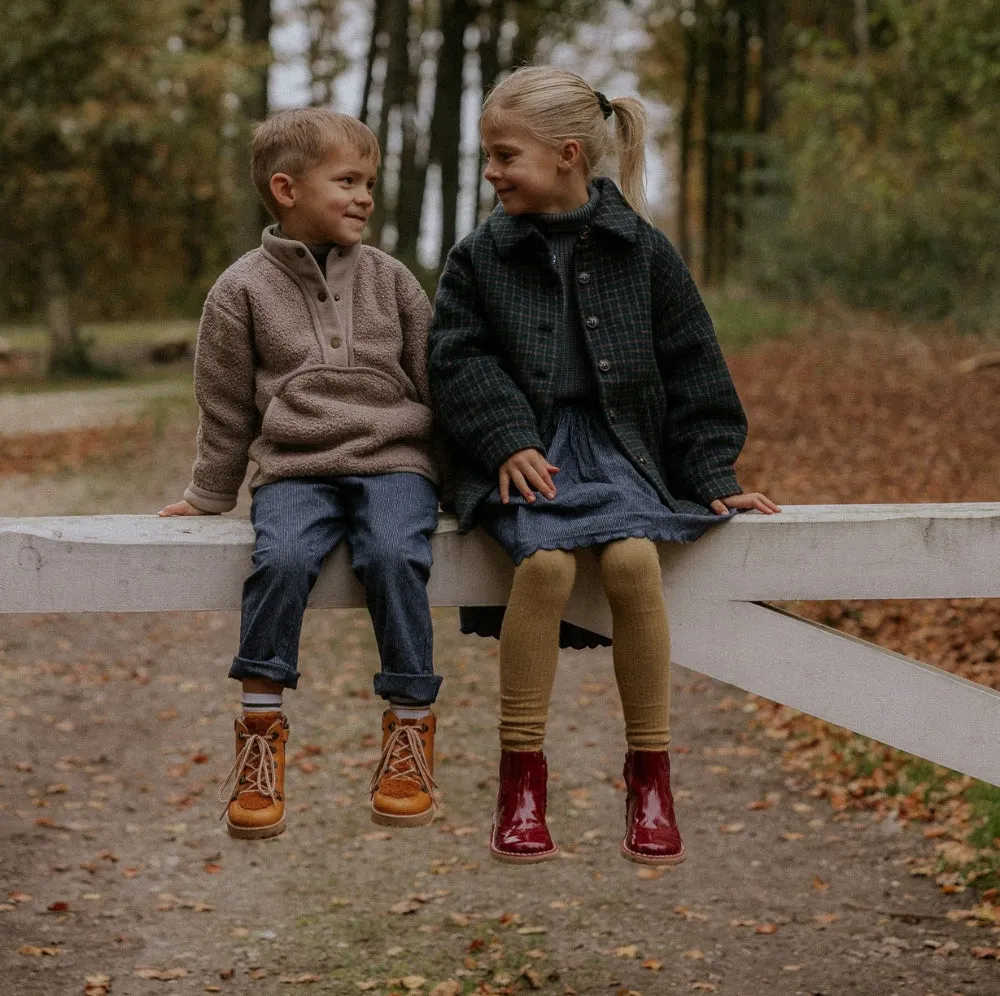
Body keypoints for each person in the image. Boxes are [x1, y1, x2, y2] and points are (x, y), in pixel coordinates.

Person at [428, 66, 779, 866]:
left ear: (568, 155)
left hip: (622, 450)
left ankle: (650, 777)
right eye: (488, 156)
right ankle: (520, 782)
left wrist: (712, 473)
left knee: (631, 562)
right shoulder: (478, 255)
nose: (491, 172)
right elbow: (455, 357)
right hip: (528, 457)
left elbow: (694, 364)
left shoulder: (643, 251)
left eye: (504, 155)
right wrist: (505, 438)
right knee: (544, 569)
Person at [159, 108, 442, 840]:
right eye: (346, 181)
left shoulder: (393, 281)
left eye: (369, 183)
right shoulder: (240, 290)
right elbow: (223, 404)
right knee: (281, 558)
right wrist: (208, 494)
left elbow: (437, 383)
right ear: (286, 189)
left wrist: (470, 481)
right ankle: (259, 740)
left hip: (394, 462)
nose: (364, 197)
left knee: (393, 554)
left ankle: (409, 733)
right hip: (295, 466)